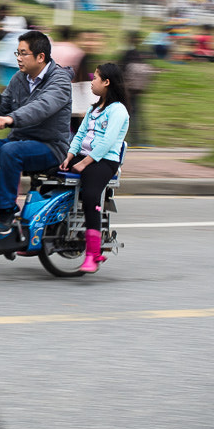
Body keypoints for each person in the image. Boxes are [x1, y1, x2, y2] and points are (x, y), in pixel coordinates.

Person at [0, 29, 73, 234]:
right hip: (20, 140)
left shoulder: (59, 80)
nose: (18, 58)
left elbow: (43, 106)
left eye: (23, 53)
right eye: (17, 53)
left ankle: (8, 210)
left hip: (50, 147)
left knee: (10, 151)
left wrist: (11, 119)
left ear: (40, 57)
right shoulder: (20, 78)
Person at [59, 62, 131, 272]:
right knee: (49, 173)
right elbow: (79, 135)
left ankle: (93, 255)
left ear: (106, 82)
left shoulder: (118, 111)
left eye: (95, 78)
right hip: (84, 156)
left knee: (90, 196)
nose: (92, 81)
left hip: (104, 161)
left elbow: (108, 142)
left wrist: (84, 162)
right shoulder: (94, 109)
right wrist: (69, 156)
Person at [119, 31, 154, 146]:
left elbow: (120, 70)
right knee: (138, 115)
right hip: (138, 89)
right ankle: (141, 139)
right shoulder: (140, 54)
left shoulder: (126, 54)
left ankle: (129, 138)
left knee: (127, 115)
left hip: (127, 90)